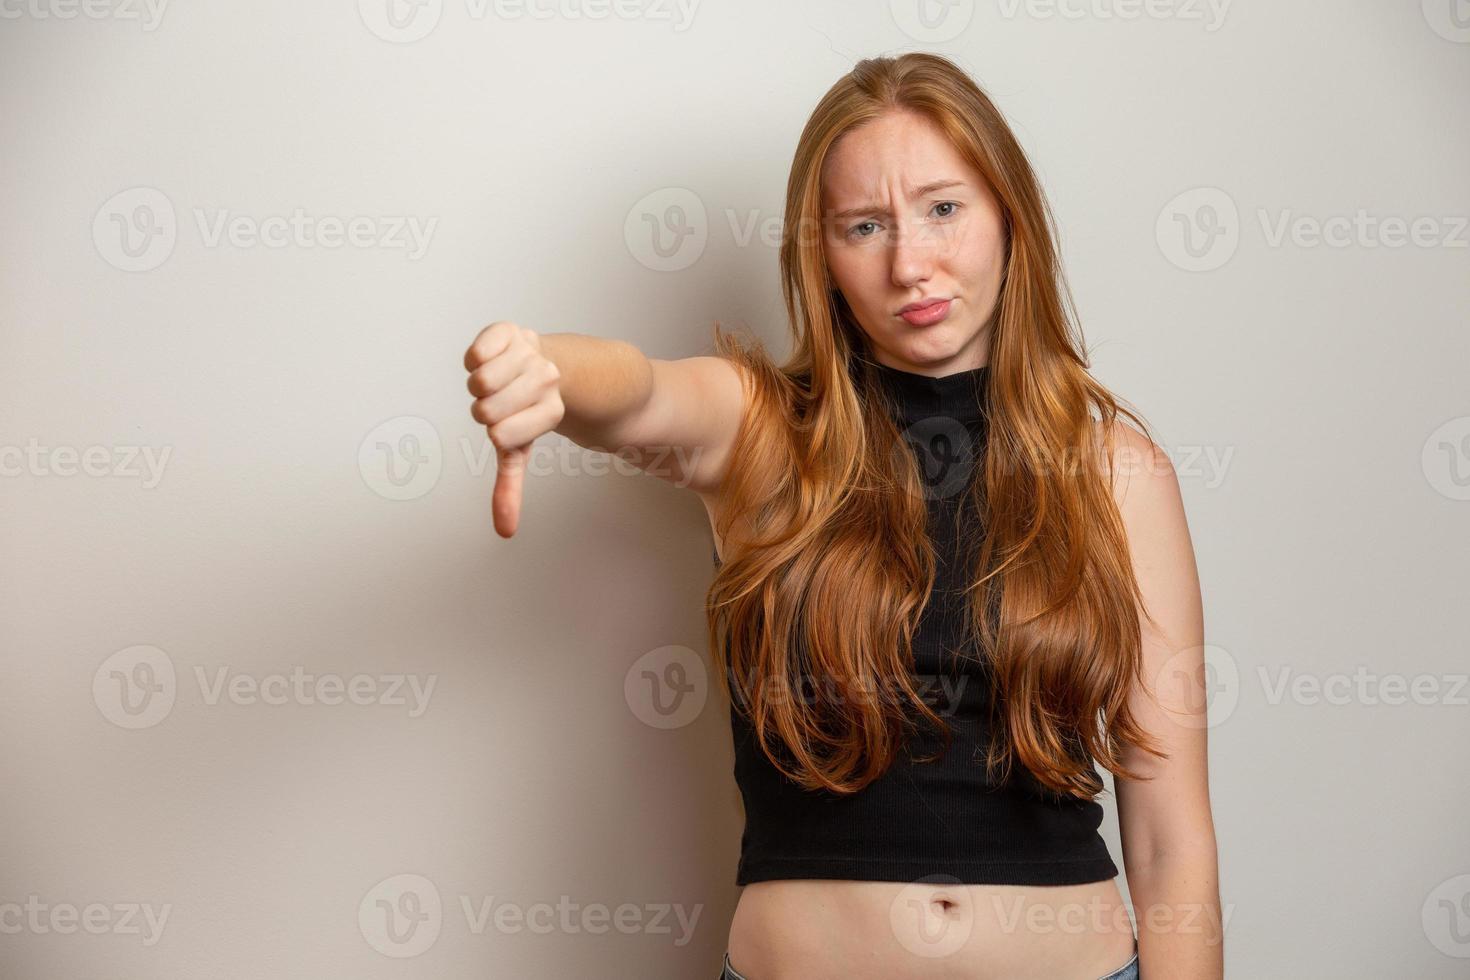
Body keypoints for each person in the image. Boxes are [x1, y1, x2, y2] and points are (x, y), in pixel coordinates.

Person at [463, 52, 1222, 980]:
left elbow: (1170, 845)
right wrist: (546, 366)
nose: (911, 264)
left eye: (945, 209)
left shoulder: (1115, 472)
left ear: (1008, 216)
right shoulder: (760, 433)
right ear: (821, 256)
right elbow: (637, 395)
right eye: (865, 226)